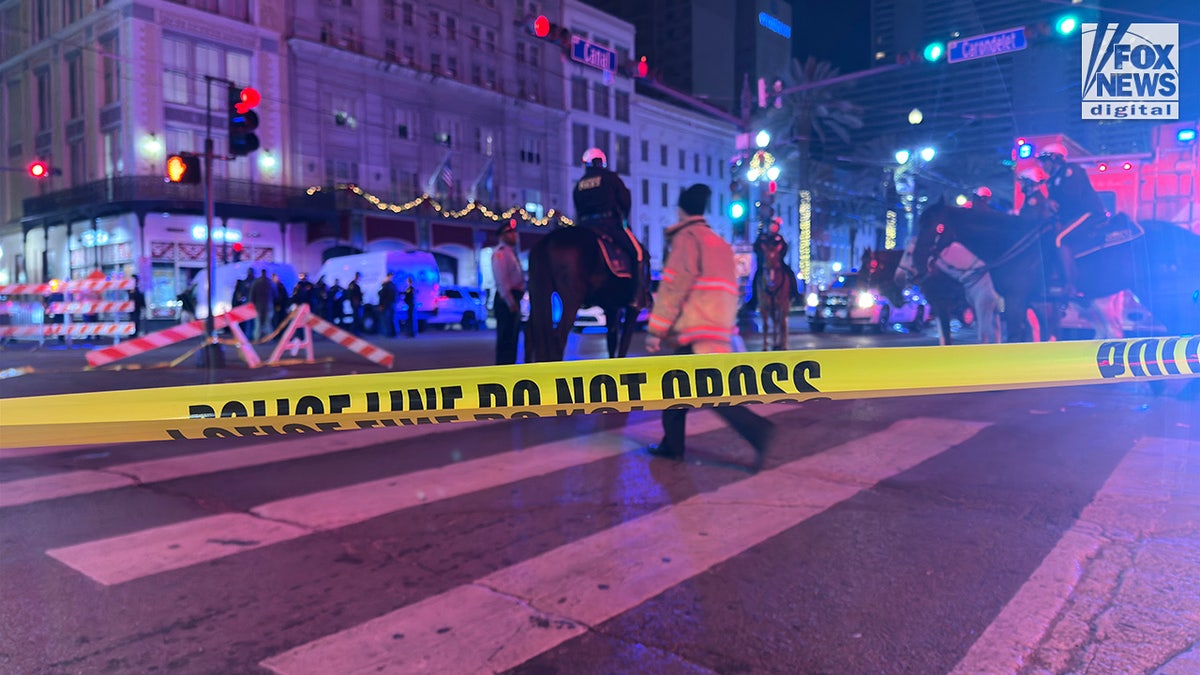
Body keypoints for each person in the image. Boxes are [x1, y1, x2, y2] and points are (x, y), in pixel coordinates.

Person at [644, 183, 774, 469]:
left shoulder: (687, 239)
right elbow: (730, 291)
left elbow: (673, 288)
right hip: (717, 330)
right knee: (683, 392)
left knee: (692, 392)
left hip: (694, 329)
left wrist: (656, 330)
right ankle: (672, 445)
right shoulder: (719, 243)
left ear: (680, 211)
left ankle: (756, 431)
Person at [572, 147, 647, 304]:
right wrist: (624, 219)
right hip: (607, 224)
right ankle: (636, 295)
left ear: (585, 164)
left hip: (584, 226)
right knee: (638, 253)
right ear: (602, 163)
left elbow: (577, 209)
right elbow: (625, 201)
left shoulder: (578, 185)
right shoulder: (610, 178)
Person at [1037, 142, 1106, 298]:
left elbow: (1073, 198)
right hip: (1073, 217)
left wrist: (1053, 203)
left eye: (1045, 161)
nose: (1043, 166)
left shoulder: (1071, 170)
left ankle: (1071, 285)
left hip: (1088, 213)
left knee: (1060, 239)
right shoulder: (1052, 179)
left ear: (1055, 159)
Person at [491, 219, 525, 364]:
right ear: (502, 236)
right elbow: (501, 280)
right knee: (506, 339)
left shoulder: (510, 253)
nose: (514, 235)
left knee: (513, 339)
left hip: (513, 298)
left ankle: (509, 367)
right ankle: (503, 369)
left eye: (514, 232)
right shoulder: (501, 254)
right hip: (506, 301)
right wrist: (510, 302)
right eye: (510, 233)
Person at [250, 269, 273, 341]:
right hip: (268, 305)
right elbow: (274, 294)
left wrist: (252, 304)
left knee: (258, 323)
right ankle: (269, 338)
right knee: (268, 323)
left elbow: (252, 294)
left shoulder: (256, 282)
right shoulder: (269, 282)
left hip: (258, 305)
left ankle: (257, 338)